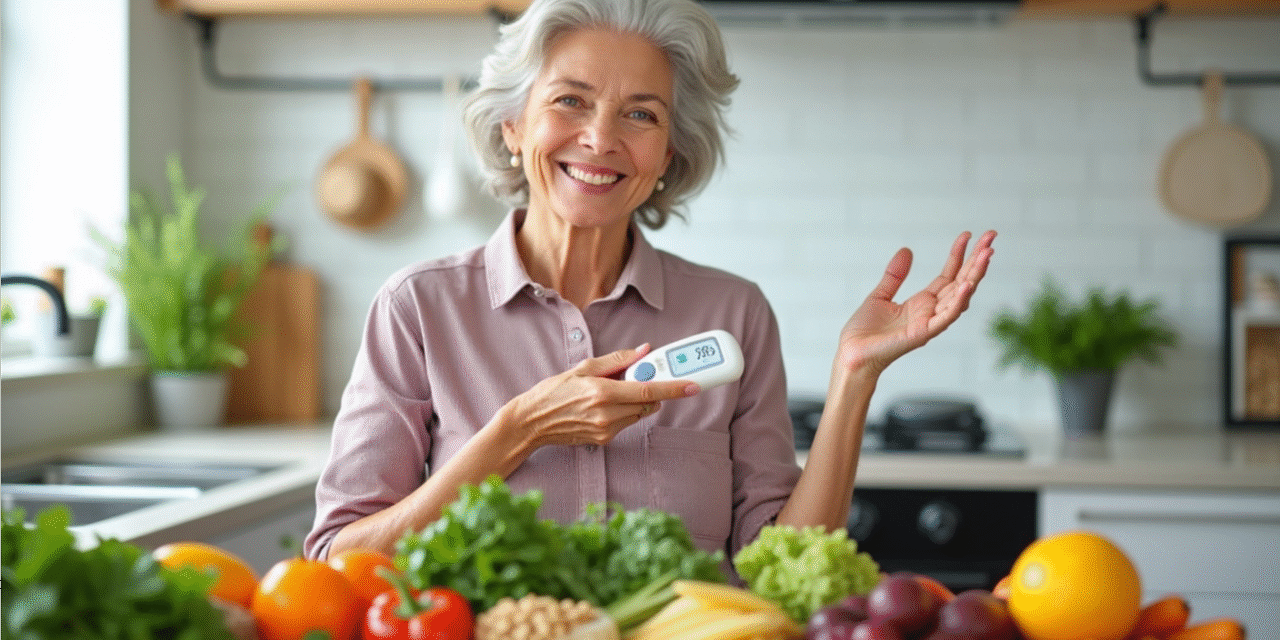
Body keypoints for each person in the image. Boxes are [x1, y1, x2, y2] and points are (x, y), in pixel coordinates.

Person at [304, 0, 995, 565]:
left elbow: (778, 566)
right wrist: (512, 435)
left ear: (667, 153)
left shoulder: (734, 312)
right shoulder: (420, 309)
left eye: (641, 113)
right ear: (514, 126)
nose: (602, 138)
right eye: (570, 100)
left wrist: (854, 377)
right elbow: (336, 558)